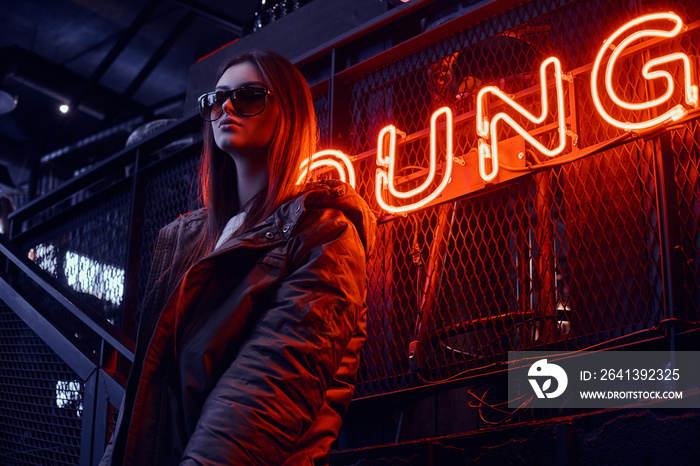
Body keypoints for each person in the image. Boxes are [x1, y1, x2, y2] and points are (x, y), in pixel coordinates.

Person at [100, 50, 376, 465]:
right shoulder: (188, 239)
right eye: (216, 99)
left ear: (289, 113)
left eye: (248, 96)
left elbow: (269, 385)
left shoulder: (324, 233)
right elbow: (149, 390)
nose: (226, 107)